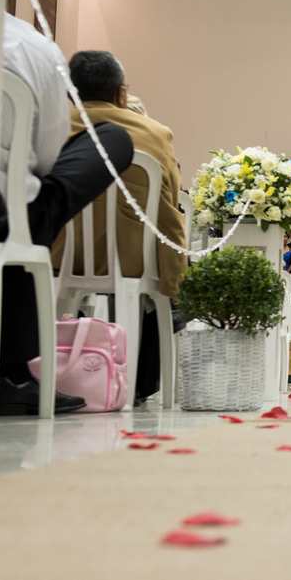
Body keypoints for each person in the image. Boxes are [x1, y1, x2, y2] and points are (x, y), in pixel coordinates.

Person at [0, 18, 135, 414]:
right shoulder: (29, 45)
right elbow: (49, 157)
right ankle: (14, 373)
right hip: (8, 208)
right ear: (121, 94)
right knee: (108, 145)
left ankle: (12, 372)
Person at [52, 51, 186, 402]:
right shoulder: (155, 134)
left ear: (69, 93)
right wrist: (176, 280)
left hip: (58, 255)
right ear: (121, 94)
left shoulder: (51, 125)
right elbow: (169, 204)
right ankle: (145, 384)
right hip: (131, 260)